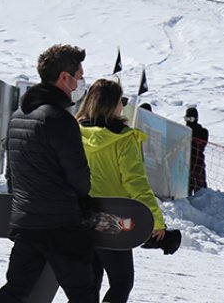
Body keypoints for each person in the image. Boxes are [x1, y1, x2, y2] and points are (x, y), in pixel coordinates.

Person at [0, 44, 98, 303]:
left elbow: (12, 174)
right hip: (61, 225)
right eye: (79, 77)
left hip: (27, 223)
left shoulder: (18, 116)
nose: (79, 84)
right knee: (84, 293)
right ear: (64, 77)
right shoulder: (60, 119)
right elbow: (80, 179)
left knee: (16, 290)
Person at [75, 79, 167, 303]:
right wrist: (156, 220)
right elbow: (136, 184)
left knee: (90, 283)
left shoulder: (74, 132)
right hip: (113, 217)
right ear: (112, 105)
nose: (123, 106)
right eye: (121, 101)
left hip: (79, 215)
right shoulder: (124, 139)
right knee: (122, 281)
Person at [185, 107, 209, 195]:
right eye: (187, 119)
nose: (189, 121)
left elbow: (202, 144)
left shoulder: (202, 131)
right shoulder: (183, 131)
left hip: (197, 164)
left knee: (201, 192)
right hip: (185, 165)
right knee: (185, 192)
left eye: (191, 119)